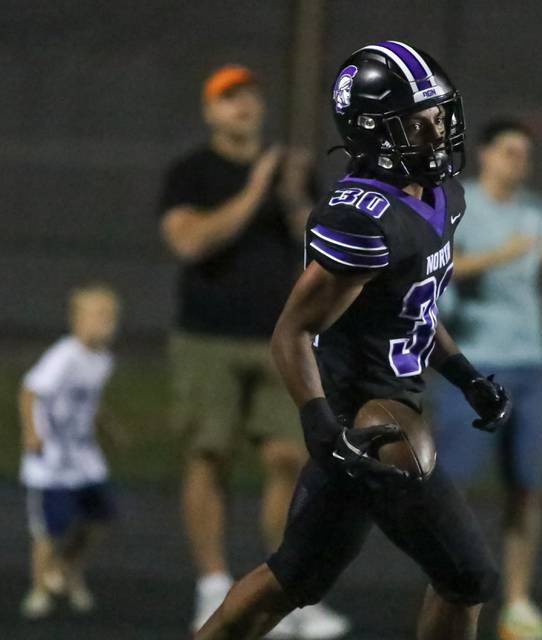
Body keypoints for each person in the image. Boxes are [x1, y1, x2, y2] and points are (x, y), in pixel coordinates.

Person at [196, 41, 511, 640]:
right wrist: (321, 424)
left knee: (294, 578)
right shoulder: (363, 218)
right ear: (375, 132)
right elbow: (294, 331)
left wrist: (465, 375)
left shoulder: (440, 197)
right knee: (468, 576)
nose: (440, 131)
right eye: (422, 122)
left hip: (384, 410)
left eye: (441, 115)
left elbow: (410, 310)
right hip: (366, 425)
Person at [158, 64, 348, 638]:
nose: (243, 106)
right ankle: (213, 586)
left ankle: (288, 588)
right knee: (209, 455)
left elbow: (324, 246)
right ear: (210, 110)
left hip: (280, 337)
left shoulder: (292, 170)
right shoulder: (191, 172)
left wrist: (292, 197)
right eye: (229, 98)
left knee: (290, 459)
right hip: (207, 337)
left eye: (250, 97)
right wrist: (254, 188)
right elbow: (190, 241)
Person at [432, 119, 542, 640]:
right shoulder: (460, 204)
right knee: (454, 486)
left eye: (526, 154)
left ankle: (517, 603)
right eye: (510, 152)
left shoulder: (540, 211)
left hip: (531, 362)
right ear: (487, 155)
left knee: (526, 488)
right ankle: (450, 590)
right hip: (474, 366)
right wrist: (504, 254)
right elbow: (441, 268)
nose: (520, 162)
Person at [19, 283, 121, 619]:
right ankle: (38, 588)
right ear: (78, 319)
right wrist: (33, 433)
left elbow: (90, 402)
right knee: (49, 526)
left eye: (111, 316)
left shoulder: (103, 360)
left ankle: (67, 568)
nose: (107, 322)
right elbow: (30, 392)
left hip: (83, 456)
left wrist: (110, 429)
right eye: (99, 315)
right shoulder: (64, 355)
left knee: (99, 516)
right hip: (52, 458)